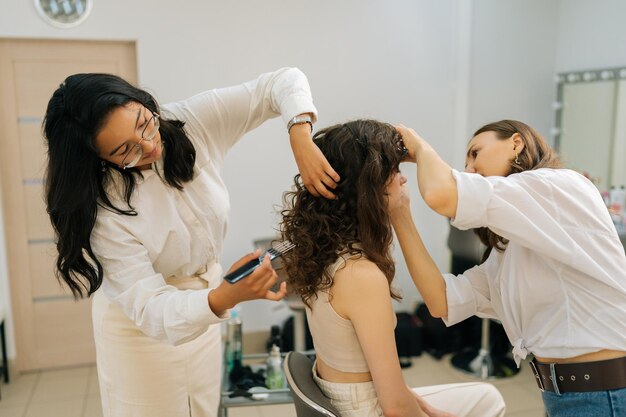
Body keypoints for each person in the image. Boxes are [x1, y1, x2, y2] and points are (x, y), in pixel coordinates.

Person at [42, 67, 340, 417]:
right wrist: (225, 297)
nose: (150, 145)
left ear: (143, 101)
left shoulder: (190, 121)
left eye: (144, 123)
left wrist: (299, 136)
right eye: (126, 151)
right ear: (97, 158)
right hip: (139, 329)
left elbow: (282, 81)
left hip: (204, 311)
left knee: (202, 407)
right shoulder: (102, 210)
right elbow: (152, 310)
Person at [392, 120, 626, 416]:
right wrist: (399, 213)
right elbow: (441, 300)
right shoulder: (508, 254)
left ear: (516, 143)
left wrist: (419, 146)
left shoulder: (556, 185)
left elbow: (442, 193)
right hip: (566, 395)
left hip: (602, 392)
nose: (469, 169)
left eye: (475, 153)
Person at [280, 119, 506, 417]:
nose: (404, 179)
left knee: (485, 396)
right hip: (364, 409)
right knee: (490, 400)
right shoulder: (362, 276)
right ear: (367, 186)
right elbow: (396, 408)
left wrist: (426, 408)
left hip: (347, 395)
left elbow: (391, 388)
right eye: (395, 170)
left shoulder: (325, 251)